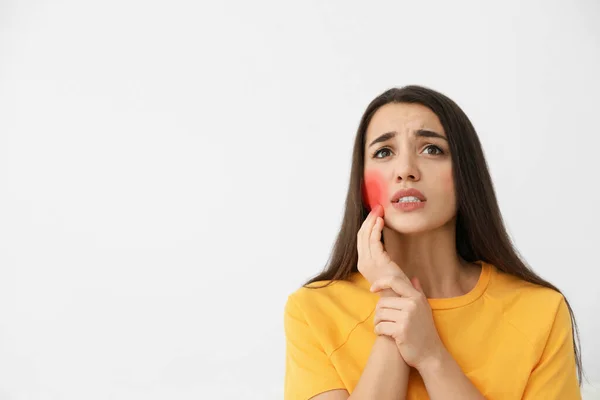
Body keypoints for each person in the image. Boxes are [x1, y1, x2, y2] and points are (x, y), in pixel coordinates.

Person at [283, 85, 583, 400]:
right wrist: (393, 312)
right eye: (384, 152)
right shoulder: (313, 311)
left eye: (431, 149)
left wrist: (431, 356)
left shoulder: (541, 312)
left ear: (465, 173)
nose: (406, 171)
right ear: (363, 182)